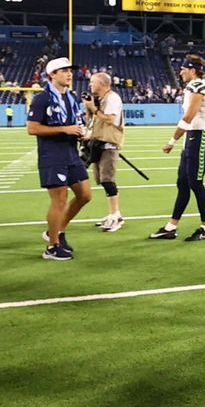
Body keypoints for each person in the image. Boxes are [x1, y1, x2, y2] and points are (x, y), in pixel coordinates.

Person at [26, 57, 91, 260]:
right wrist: (64, 129)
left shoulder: (70, 97)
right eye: (63, 70)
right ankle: (52, 246)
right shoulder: (42, 99)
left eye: (70, 70)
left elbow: (74, 123)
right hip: (52, 154)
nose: (69, 73)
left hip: (70, 152)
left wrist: (81, 133)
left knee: (85, 195)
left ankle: (57, 231)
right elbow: (32, 128)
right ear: (52, 74)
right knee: (59, 200)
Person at [149, 54, 205, 242]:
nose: (180, 72)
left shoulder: (198, 86)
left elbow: (189, 116)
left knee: (196, 182)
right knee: (183, 183)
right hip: (194, 136)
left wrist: (172, 141)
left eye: (184, 69)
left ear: (193, 70)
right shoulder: (197, 85)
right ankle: (171, 226)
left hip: (200, 135)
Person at [83, 71, 126, 231]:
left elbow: (110, 119)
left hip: (109, 144)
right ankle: (113, 214)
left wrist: (93, 109)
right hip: (98, 143)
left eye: (93, 82)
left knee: (108, 180)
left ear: (102, 83)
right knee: (101, 180)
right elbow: (94, 121)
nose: (90, 84)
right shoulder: (100, 99)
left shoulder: (112, 98)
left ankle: (116, 215)